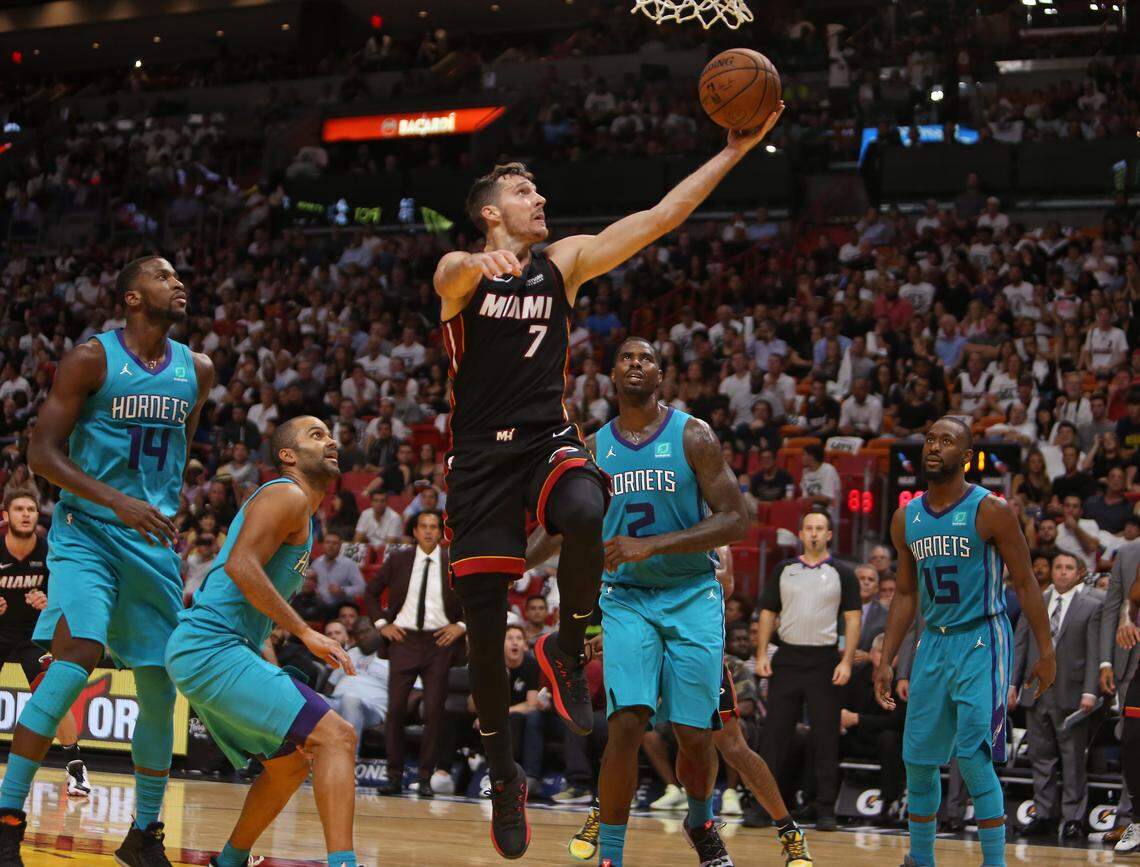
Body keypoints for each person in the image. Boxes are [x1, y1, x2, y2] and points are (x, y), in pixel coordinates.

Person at [432, 104, 783, 857]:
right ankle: (503, 774)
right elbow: (449, 272)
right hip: (479, 464)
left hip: (543, 441)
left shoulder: (564, 264)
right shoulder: (465, 276)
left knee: (588, 504)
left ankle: (571, 639)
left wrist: (734, 151)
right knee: (486, 645)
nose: (542, 202)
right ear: (493, 212)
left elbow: (660, 216)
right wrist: (475, 263)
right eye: (527, 194)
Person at [552, 337, 811, 866]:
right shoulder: (595, 448)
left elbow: (736, 520)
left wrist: (651, 544)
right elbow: (561, 528)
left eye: (646, 358)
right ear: (611, 374)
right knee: (627, 722)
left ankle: (700, 818)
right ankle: (613, 856)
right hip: (626, 598)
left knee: (698, 737)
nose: (636, 364)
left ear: (661, 376)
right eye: (625, 356)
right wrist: (509, 561)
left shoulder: (693, 435)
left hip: (691, 594)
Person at [0, 256, 214, 866]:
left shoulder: (196, 369)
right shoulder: (92, 359)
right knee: (76, 656)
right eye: (162, 274)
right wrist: (119, 500)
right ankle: (8, 816)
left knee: (160, 686)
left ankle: (143, 834)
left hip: (150, 542)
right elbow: (41, 453)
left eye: (180, 273)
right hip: (87, 530)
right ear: (131, 298)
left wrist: (148, 504)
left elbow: (178, 451)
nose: (178, 281)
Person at [165, 416, 361, 867]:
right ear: (287, 456)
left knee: (289, 766)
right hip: (210, 647)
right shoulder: (286, 494)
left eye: (331, 434)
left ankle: (229, 861)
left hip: (216, 650)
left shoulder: (303, 514)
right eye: (316, 434)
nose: (331, 440)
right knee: (337, 737)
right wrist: (306, 632)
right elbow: (240, 565)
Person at [873, 417, 1055, 867]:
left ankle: (994, 862)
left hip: (982, 640)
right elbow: (907, 594)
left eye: (947, 441)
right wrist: (888, 658)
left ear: (967, 455)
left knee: (973, 759)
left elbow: (1028, 584)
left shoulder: (991, 510)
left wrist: (1047, 650)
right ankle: (920, 858)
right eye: (930, 439)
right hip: (932, 643)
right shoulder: (906, 518)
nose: (934, 447)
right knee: (917, 760)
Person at [756, 511, 860, 831]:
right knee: (774, 736)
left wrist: (846, 660)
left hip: (824, 660)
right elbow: (768, 613)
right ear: (801, 533)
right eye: (809, 528)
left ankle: (825, 807)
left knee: (826, 737)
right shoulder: (783, 569)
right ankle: (764, 806)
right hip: (787, 658)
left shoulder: (842, 571)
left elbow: (853, 618)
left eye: (820, 528)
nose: (814, 533)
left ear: (830, 534)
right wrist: (761, 653)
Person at [364, 510, 465, 797]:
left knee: (433, 712)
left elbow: (476, 595)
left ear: (441, 532)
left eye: (435, 527)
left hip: (439, 642)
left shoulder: (452, 563)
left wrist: (461, 626)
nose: (429, 531)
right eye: (424, 526)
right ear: (415, 531)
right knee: (395, 709)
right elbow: (370, 593)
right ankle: (394, 776)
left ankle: (424, 778)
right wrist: (383, 624)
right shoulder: (398, 560)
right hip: (404, 640)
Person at [0, 489, 90, 798]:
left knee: (54, 690)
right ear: (5, 515)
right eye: (19, 509)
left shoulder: (49, 552)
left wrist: (49, 600)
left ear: (38, 516)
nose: (26, 513)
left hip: (33, 633)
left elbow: (69, 593)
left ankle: (76, 768)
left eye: (31, 509)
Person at [1010, 551, 1102, 840]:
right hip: (1036, 691)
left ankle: (1074, 817)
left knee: (1073, 759)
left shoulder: (1092, 605)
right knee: (1041, 757)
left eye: (1068, 568)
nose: (1062, 572)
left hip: (1072, 692)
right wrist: (1012, 684)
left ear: (1079, 573)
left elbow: (1093, 651)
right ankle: (1044, 814)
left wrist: (1090, 690)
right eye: (1058, 567)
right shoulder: (1035, 600)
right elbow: (1020, 644)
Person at [310, 532, 366, 612]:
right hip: (318, 606)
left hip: (340, 606)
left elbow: (361, 587)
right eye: (327, 542)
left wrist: (343, 590)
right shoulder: (316, 563)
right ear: (323, 545)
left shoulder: (349, 564)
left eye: (334, 543)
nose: (330, 546)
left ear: (340, 546)